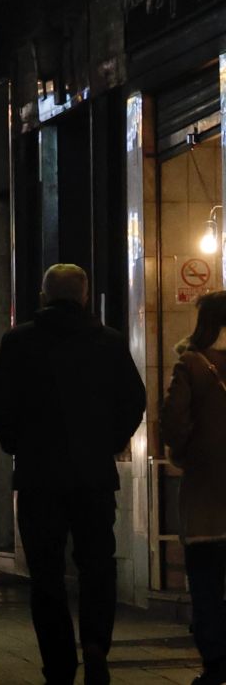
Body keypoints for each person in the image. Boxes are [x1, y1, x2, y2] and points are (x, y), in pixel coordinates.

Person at [0, 264, 146, 685]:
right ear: (85, 296)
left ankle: (58, 663)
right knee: (97, 564)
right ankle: (95, 645)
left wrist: (16, 444)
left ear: (43, 296)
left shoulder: (18, 342)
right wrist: (108, 442)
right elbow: (134, 399)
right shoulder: (108, 343)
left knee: (46, 572)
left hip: (39, 476)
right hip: (93, 475)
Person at [164, 290, 226, 685]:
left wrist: (186, 456)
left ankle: (216, 663)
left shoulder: (192, 364)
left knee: (205, 586)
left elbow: (173, 424)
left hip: (205, 500)